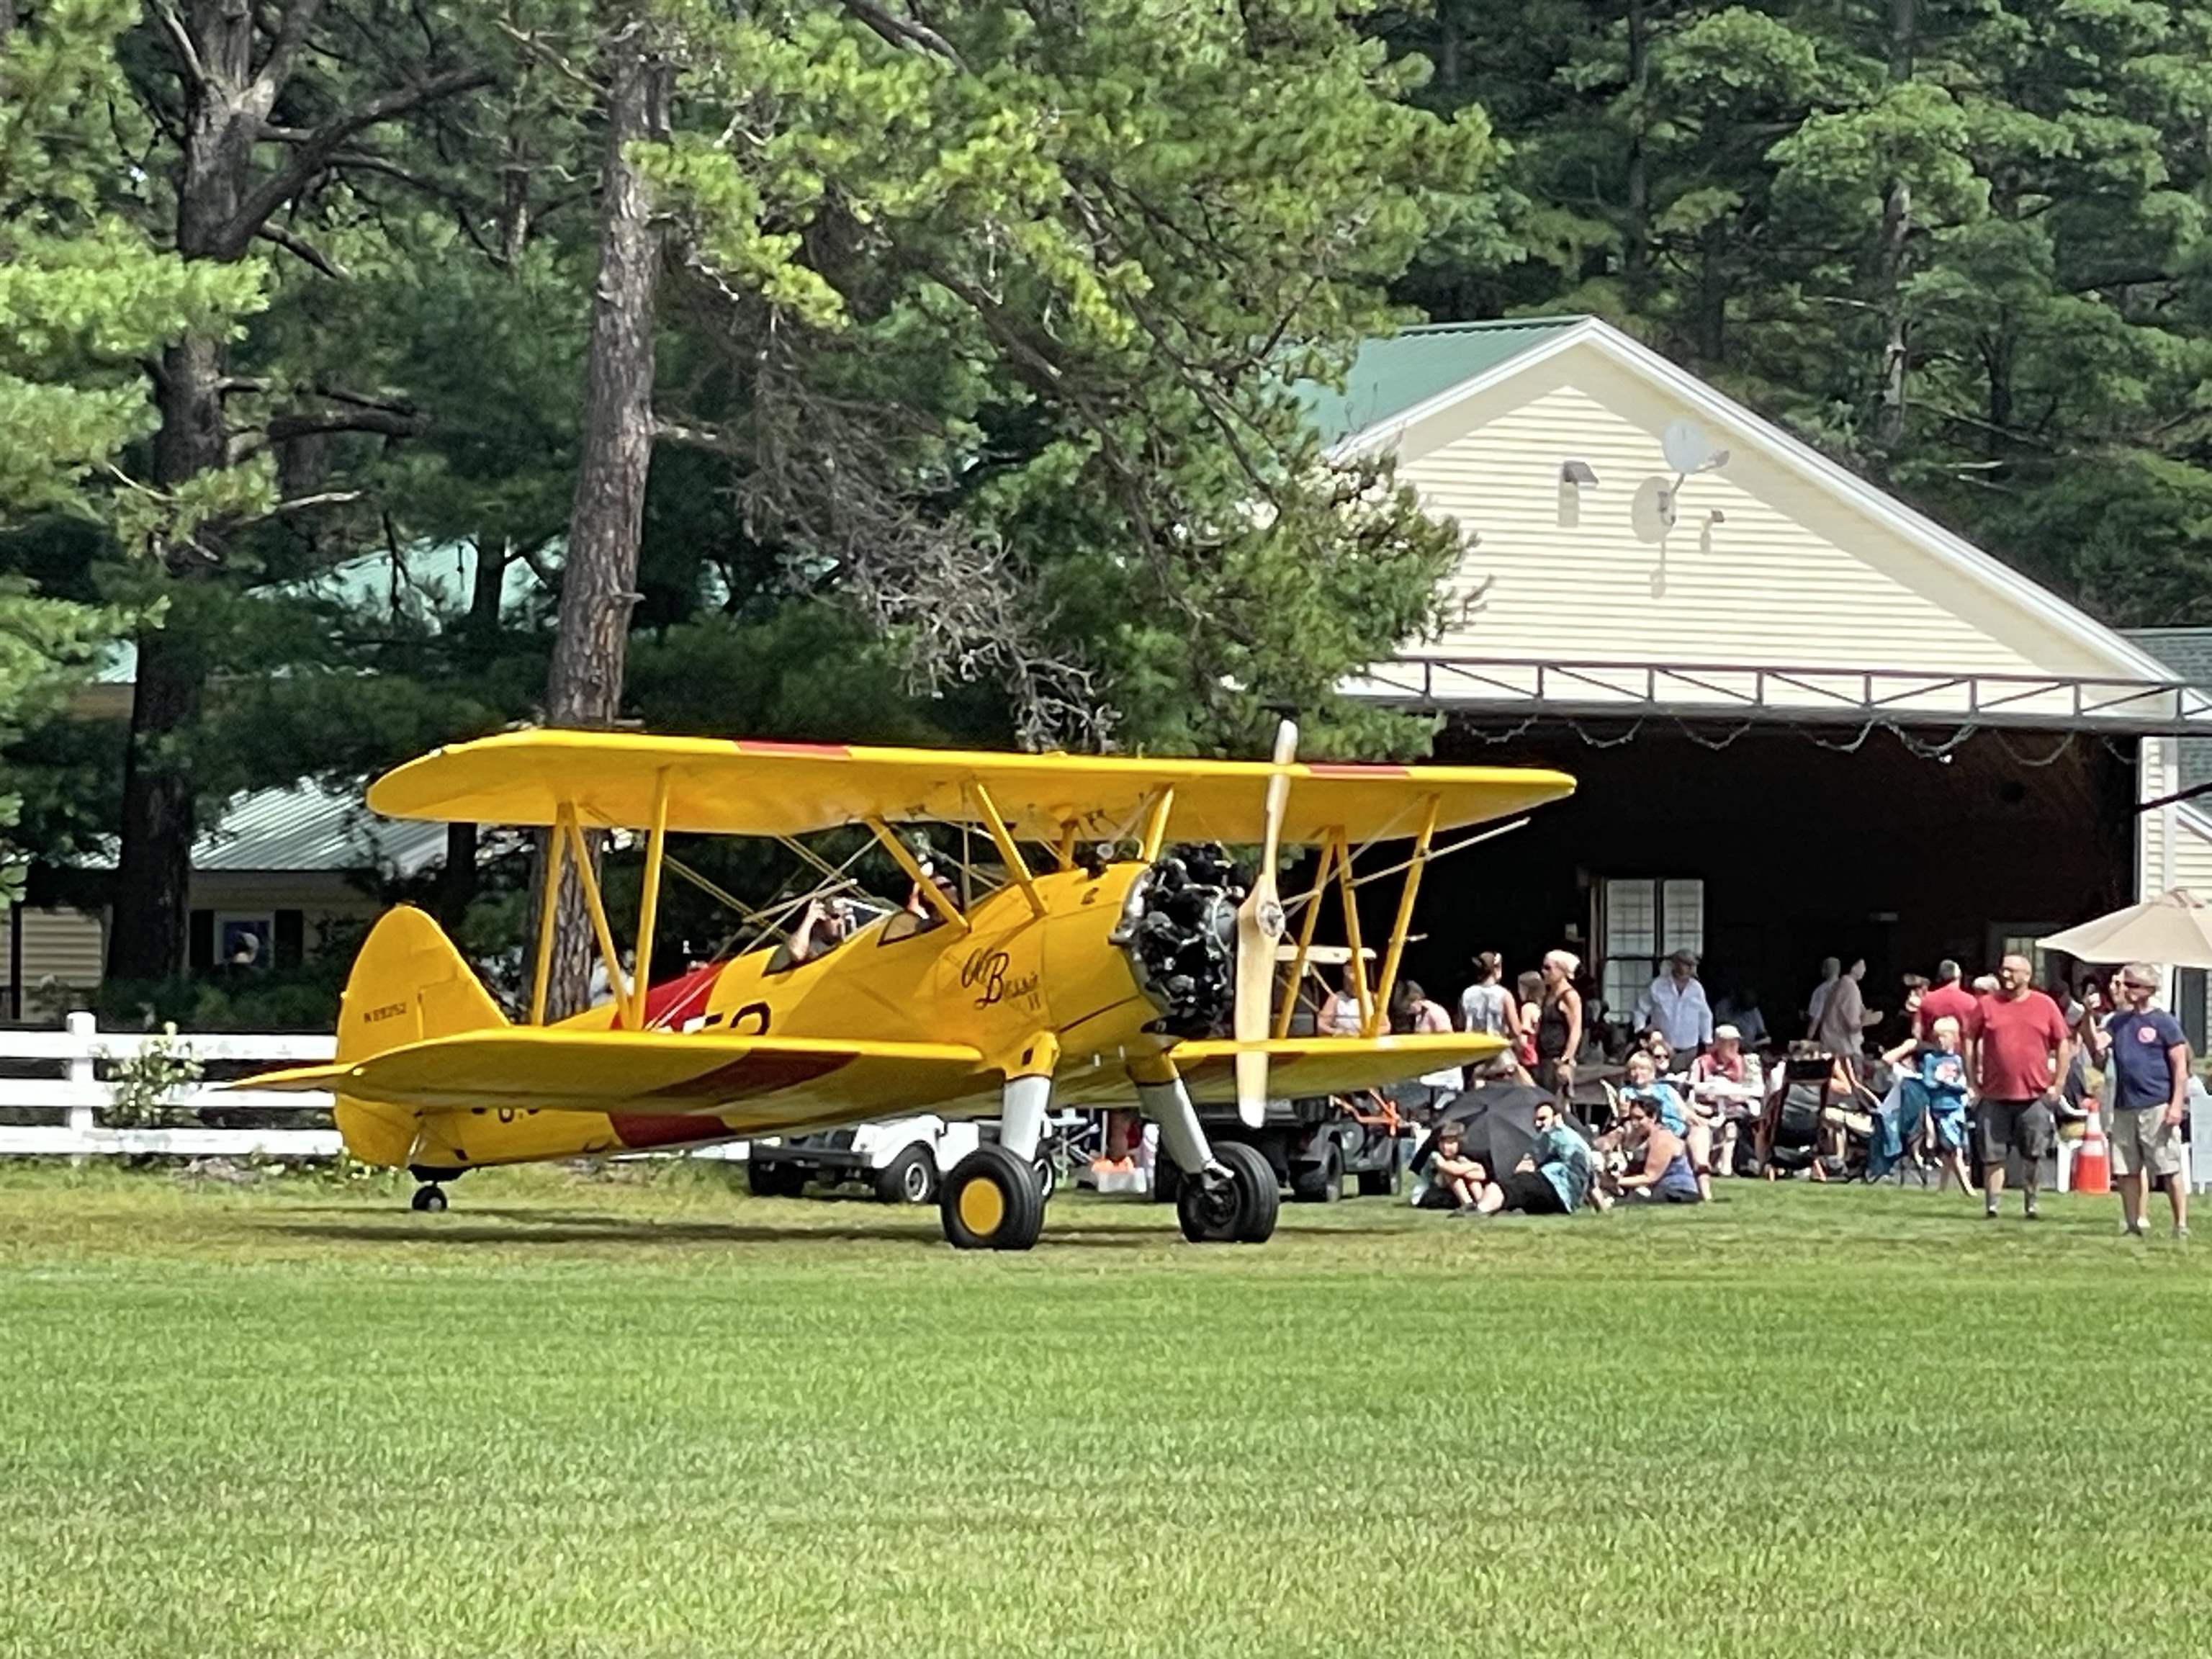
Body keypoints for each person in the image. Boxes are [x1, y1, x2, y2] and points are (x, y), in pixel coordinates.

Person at [2092, 963, 2190, 1238]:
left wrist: (2175, 1105)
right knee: (2126, 1168)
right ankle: (2132, 1222)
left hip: (2157, 1103)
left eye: (2131, 985)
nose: (2125, 990)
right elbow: (2098, 1047)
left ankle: (2180, 1223)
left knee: (2168, 1165)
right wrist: (2088, 1016)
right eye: (2124, 985)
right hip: (2124, 1104)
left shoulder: (2164, 1022)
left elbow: (2180, 1067)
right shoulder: (2118, 1021)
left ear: (2148, 990)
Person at [1973, 953, 2070, 1221]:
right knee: (1992, 1155)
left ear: (2027, 976)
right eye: (2003, 970)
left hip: (2034, 1095)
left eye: (2013, 971)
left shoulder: (2045, 1005)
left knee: (2034, 1154)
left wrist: (2058, 1083)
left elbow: (2063, 1042)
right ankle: (1992, 1206)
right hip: (1994, 1094)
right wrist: (1973, 1083)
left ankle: (2032, 1203)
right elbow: (1969, 1037)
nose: (2006, 976)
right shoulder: (1987, 1005)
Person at [1883, 1015, 1974, 1196]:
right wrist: (1941, 1082)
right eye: (1937, 1036)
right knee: (1953, 1147)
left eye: (1945, 1036)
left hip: (1956, 1106)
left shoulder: (1958, 1060)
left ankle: (1942, 1188)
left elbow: (1962, 1082)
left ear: (1955, 1038)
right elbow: (1929, 1082)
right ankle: (1967, 1188)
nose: (1941, 1041)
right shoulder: (1931, 1059)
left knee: (1954, 1146)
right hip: (1940, 1108)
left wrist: (1961, 1087)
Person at [1481, 1097, 1598, 1215]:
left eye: (1543, 1119)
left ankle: (1479, 1211)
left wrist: (1515, 1176)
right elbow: (1593, 1187)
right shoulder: (1580, 1143)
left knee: (1500, 1188)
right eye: (1536, 1121)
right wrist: (1602, 1211)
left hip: (1552, 1184)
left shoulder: (1553, 1133)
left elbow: (1529, 1164)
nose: (1538, 1124)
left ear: (1557, 1118)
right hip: (1566, 1204)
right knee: (1518, 1201)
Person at [1689, 1025, 1763, 1178]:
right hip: (1707, 1108)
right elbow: (1691, 1087)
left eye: (1736, 1043)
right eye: (1729, 1043)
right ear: (1718, 1044)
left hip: (1734, 1108)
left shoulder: (1745, 1063)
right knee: (1721, 1124)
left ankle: (1727, 1167)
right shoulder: (1702, 1062)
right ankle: (1717, 1166)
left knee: (1732, 1126)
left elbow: (1754, 1089)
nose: (1734, 1047)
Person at [1609, 1094, 1702, 1203]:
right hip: (1655, 1189)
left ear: (1653, 1117)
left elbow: (1650, 1177)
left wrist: (1615, 1182)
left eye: (1639, 1118)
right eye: (1632, 1118)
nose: (1634, 1123)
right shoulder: (1642, 1137)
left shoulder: (1662, 1138)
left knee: (1620, 1202)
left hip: (1677, 1191)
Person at [1392, 979, 1464, 1115]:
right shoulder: (1420, 1016)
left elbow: (1447, 1040)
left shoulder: (1435, 1012)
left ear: (1417, 1000)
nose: (1408, 1012)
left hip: (1444, 1069)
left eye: (1409, 1007)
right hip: (1430, 1068)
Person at [1459, 951, 1529, 1082]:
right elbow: (1516, 1030)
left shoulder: (1467, 994)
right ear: (1497, 968)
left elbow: (1462, 1024)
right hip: (1498, 1055)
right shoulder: (1504, 995)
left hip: (1474, 1054)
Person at [1634, 948, 1713, 1055]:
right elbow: (1641, 1009)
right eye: (1686, 964)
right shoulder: (1658, 985)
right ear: (1675, 964)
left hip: (1690, 1048)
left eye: (1692, 965)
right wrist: (1641, 1031)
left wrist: (1707, 1040)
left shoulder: (1697, 988)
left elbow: (1705, 1015)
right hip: (1661, 1046)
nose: (1690, 968)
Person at [1532, 950, 1583, 1096]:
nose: (1543, 972)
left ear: (1562, 970)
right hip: (1543, 1059)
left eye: (1548, 968)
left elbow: (1576, 1030)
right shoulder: (1547, 995)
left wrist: (1566, 1060)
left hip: (1557, 1059)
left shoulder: (1570, 996)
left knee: (1556, 1104)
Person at [1815, 954, 1871, 1076]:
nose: (1864, 969)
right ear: (1854, 967)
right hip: (1845, 1051)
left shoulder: (1837, 986)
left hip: (1831, 1047)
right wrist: (1868, 1020)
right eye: (1862, 965)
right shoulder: (1850, 987)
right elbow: (1852, 1025)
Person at [1426, 1120, 1490, 1213]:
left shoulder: (1461, 1158)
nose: (1446, 1147)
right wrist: (1475, 1166)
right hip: (1436, 1192)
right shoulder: (1435, 1156)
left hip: (1454, 1194)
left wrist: (1467, 1172)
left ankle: (1481, 1203)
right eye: (1442, 1143)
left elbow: (1482, 1175)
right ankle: (1468, 1203)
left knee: (1472, 1178)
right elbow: (1453, 1170)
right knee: (1451, 1174)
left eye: (1450, 1143)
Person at [1917, 959, 1979, 1043]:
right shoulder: (1971, 1002)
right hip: (1960, 1053)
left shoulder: (1926, 1000)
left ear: (1939, 978)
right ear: (1960, 976)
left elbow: (1917, 1031)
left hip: (1932, 1051)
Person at [1316, 966, 1364, 1036]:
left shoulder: (1372, 999)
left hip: (1367, 1043)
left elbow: (1386, 1026)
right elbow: (1320, 1025)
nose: (1353, 987)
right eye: (1349, 984)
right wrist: (1337, 1032)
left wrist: (1367, 1032)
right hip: (1341, 1042)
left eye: (1356, 985)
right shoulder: (1335, 998)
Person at [1807, 957, 1842, 1038]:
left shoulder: (1821, 991)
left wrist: (1808, 1039)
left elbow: (1816, 1018)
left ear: (1825, 970)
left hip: (1829, 1038)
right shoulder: (1850, 988)